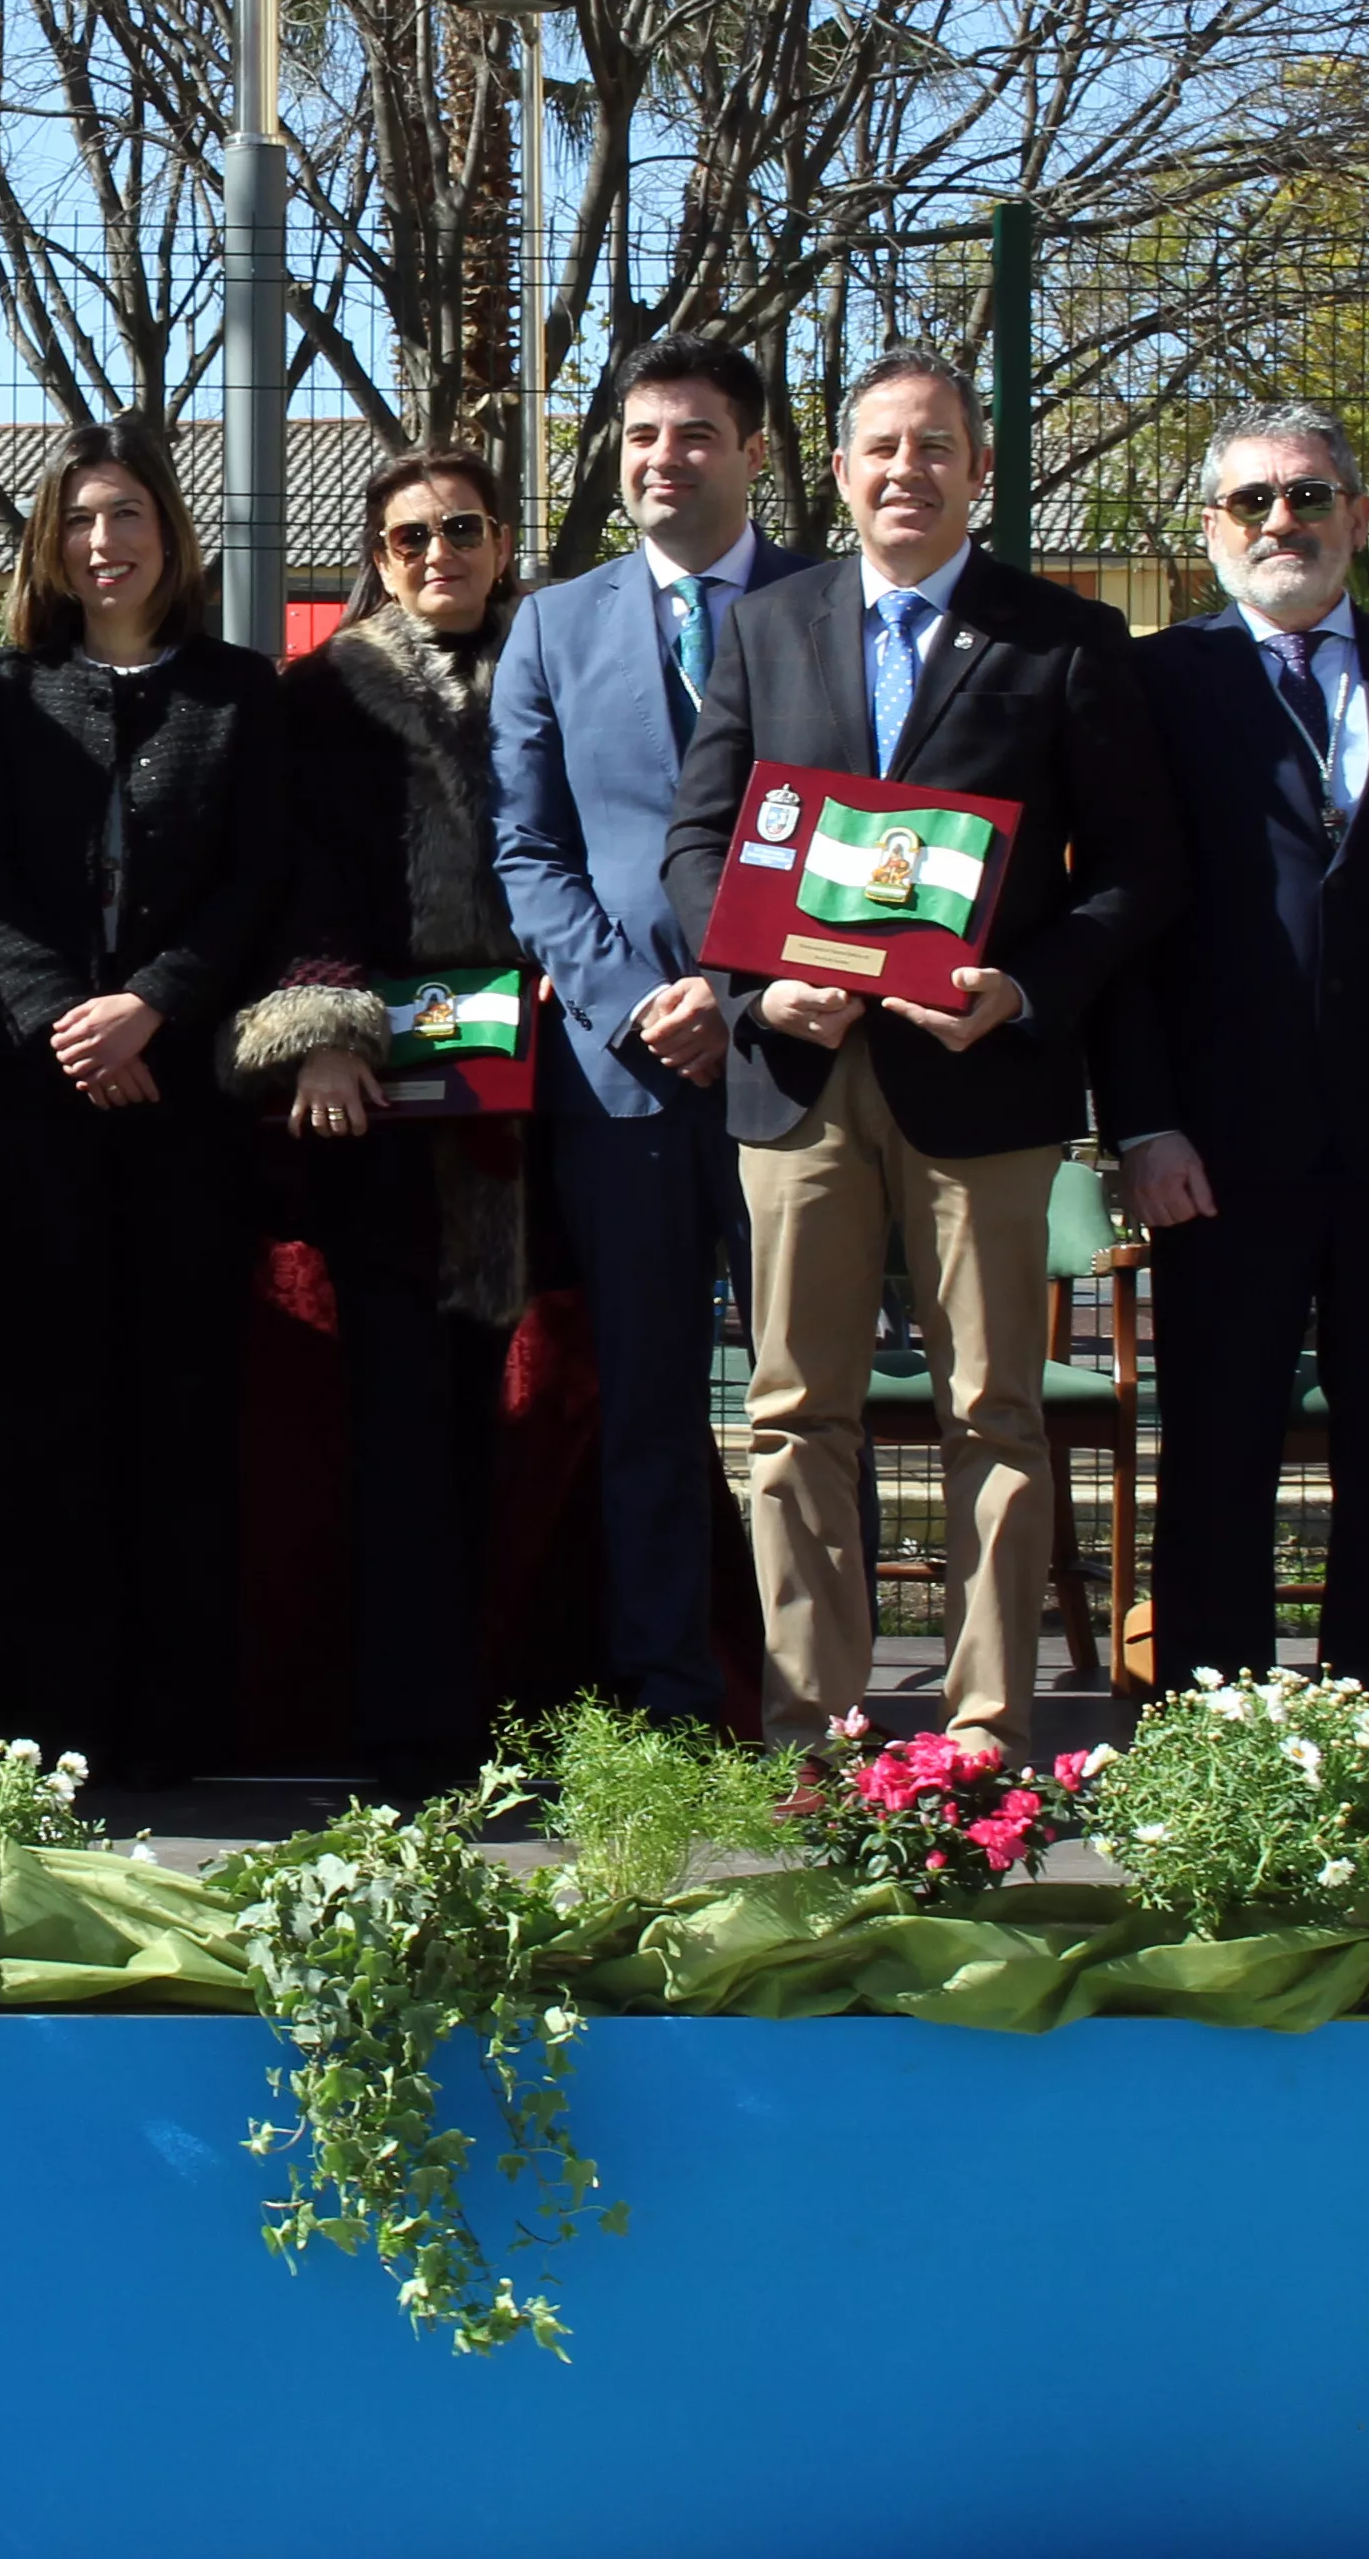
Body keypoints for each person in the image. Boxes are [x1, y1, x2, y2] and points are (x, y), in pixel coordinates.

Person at [657, 347, 1181, 1748]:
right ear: (837, 473)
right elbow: (699, 841)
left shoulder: (1064, 639)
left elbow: (1135, 873)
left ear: (978, 471)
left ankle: (989, 1727)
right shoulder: (769, 627)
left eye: (936, 448)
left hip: (986, 1080)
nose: (907, 472)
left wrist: (1023, 987)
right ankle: (812, 1723)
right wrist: (758, 987)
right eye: (881, 448)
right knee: (790, 1415)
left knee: (995, 1413)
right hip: (799, 1080)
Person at [1096, 403, 1369, 1708]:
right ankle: (1217, 1734)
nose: (1279, 523)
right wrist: (1143, 1124)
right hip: (1218, 1149)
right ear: (1211, 531)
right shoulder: (1160, 680)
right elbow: (1128, 921)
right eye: (1251, 502)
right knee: (1219, 1451)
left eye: (1306, 496)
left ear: (1358, 514)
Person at [0, 423, 284, 1785]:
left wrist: (152, 1002)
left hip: (185, 1105)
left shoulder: (239, 692)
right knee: (49, 1416)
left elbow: (258, 879)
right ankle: (53, 1722)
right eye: (81, 518)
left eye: (128, 514)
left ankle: (180, 1725)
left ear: (169, 535)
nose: (105, 542)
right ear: (50, 541)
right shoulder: (6, 693)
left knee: (182, 1414)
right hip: (39, 1110)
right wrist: (64, 1024)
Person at [491, 339, 812, 1732]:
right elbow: (528, 848)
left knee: (814, 1408)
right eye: (638, 437)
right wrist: (633, 1002)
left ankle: (824, 1709)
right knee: (645, 1414)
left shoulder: (829, 605)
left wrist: (737, 1004)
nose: (661, 460)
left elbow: (869, 836)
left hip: (807, 1065)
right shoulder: (555, 626)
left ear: (751, 451)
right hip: (619, 1082)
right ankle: (674, 1706)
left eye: (693, 435)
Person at [232, 447, 535, 1789]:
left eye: (462, 529)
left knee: (538, 1426)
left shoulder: (558, 671)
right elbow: (291, 884)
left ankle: (542, 1706)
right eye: (408, 536)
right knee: (400, 1427)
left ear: (505, 538)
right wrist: (322, 1032)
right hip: (387, 1119)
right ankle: (408, 1737)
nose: (437, 556)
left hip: (547, 1116)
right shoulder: (324, 695)